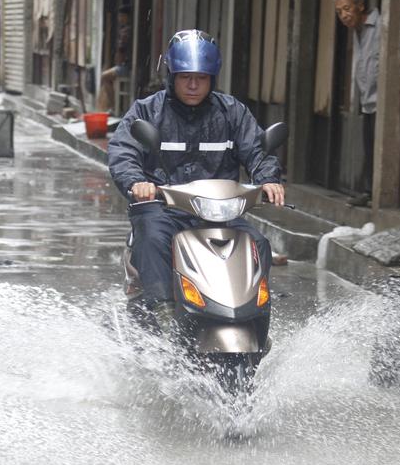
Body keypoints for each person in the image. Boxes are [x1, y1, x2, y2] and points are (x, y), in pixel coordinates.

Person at [107, 29, 285, 330]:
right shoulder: (147, 111)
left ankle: (256, 319)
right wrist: (137, 182)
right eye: (185, 77)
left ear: (212, 79)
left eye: (201, 78)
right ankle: (162, 312)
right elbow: (123, 151)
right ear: (171, 76)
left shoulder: (232, 112)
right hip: (164, 210)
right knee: (151, 236)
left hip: (220, 214)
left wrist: (267, 179)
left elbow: (257, 149)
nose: (192, 85)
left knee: (259, 243)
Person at [334, 0, 380, 208]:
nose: (343, 15)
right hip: (367, 100)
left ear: (360, 6)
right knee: (369, 147)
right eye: (339, 12)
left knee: (376, 148)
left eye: (346, 9)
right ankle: (368, 192)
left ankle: (373, 193)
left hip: (382, 100)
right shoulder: (357, 31)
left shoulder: (379, 25)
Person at [97, 4, 133, 113]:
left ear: (127, 16)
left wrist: (119, 62)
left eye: (122, 16)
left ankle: (113, 107)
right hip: (124, 65)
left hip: (126, 66)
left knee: (104, 76)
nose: (120, 19)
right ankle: (114, 106)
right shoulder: (125, 29)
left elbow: (121, 51)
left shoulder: (126, 31)